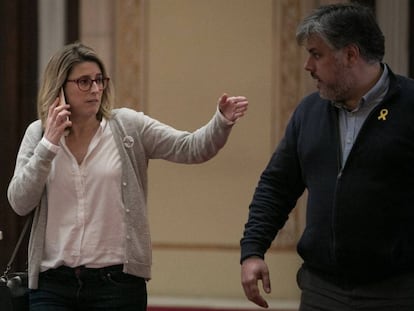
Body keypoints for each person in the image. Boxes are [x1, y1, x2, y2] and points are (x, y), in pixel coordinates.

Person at [7, 42, 248, 310]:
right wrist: (49, 144)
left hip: (117, 285)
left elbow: (190, 147)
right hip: (53, 284)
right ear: (60, 87)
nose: (96, 89)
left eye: (99, 80)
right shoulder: (38, 133)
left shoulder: (128, 127)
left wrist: (221, 122)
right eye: (84, 82)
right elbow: (19, 201)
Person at [240, 3, 414, 311]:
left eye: (316, 54)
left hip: (396, 291)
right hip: (321, 290)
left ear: (350, 54)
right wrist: (253, 250)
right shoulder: (308, 112)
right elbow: (277, 186)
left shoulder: (410, 106)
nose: (308, 65)